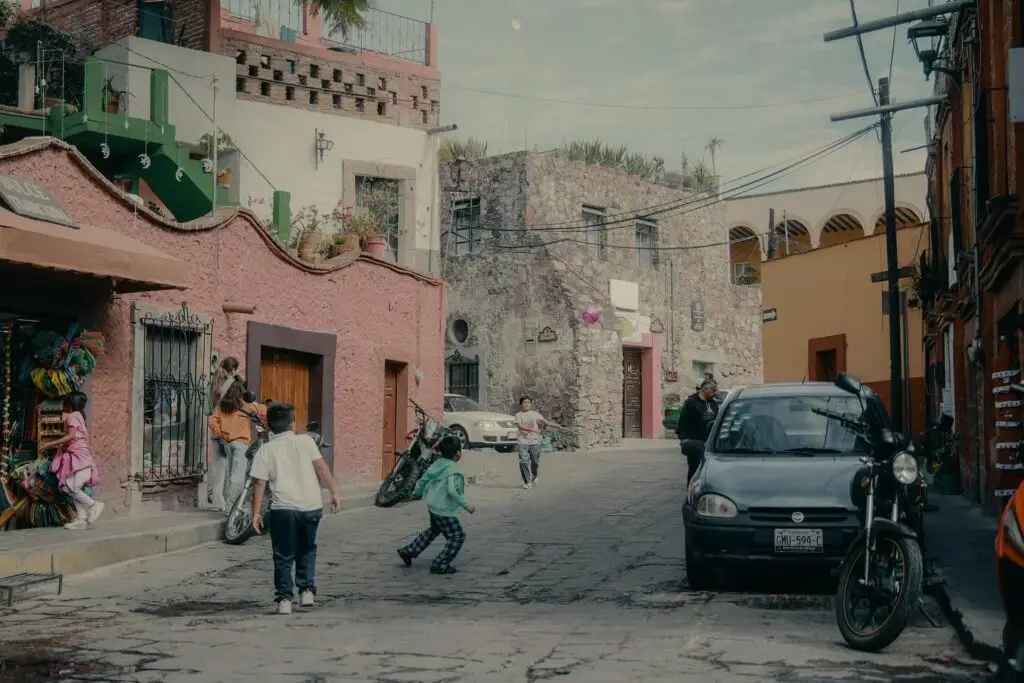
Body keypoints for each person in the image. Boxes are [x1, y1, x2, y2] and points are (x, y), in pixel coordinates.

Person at [250, 401, 341, 615]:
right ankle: (307, 591)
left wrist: (256, 513)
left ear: (269, 426)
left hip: (283, 509)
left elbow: (259, 483)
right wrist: (334, 492)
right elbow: (321, 467)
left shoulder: (265, 450)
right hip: (311, 506)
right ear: (292, 424)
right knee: (307, 548)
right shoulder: (306, 441)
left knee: (283, 554)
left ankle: (284, 600)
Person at [396, 435, 475, 575]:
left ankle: (409, 551)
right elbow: (453, 491)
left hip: (433, 507)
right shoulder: (454, 470)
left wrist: (416, 492)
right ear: (458, 453)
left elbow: (424, 479)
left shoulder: (437, 464)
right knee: (457, 536)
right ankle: (440, 564)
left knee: (434, 530)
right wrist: (467, 506)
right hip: (444, 510)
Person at [40, 391, 103, 529]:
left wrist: (49, 444)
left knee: (69, 487)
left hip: (79, 458)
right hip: (82, 457)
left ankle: (93, 505)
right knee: (69, 487)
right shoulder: (80, 416)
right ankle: (82, 519)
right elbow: (82, 438)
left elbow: (71, 436)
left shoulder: (72, 416)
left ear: (69, 404)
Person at [208, 381, 266, 513]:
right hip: (240, 443)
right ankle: (232, 510)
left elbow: (212, 420)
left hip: (227, 443)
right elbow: (264, 411)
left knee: (232, 476)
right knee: (237, 477)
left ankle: (231, 505)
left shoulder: (223, 405)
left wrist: (220, 432)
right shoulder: (246, 405)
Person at [676, 379, 719, 485]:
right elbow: (683, 421)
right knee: (695, 468)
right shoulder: (691, 403)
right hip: (694, 440)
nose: (715, 393)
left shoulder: (713, 404)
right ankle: (691, 489)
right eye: (713, 390)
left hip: (709, 441)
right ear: (704, 389)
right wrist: (683, 438)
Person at [514, 396, 561, 490]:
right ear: (521, 404)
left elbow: (547, 422)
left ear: (531, 404)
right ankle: (527, 482)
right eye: (524, 402)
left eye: (528, 402)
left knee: (535, 461)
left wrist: (558, 426)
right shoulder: (518, 415)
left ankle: (534, 475)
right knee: (523, 461)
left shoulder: (535, 414)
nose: (526, 404)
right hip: (522, 441)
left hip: (534, 441)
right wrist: (532, 429)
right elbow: (520, 426)